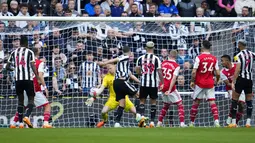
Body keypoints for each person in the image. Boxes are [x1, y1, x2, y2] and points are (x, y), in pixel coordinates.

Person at [97, 46, 143, 127]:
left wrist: (140, 82)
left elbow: (131, 75)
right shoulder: (124, 57)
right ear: (129, 52)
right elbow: (114, 60)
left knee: (122, 104)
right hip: (122, 81)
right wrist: (104, 63)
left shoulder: (122, 66)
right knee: (139, 95)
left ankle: (117, 123)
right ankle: (139, 115)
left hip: (116, 84)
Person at [10, 47, 52, 128]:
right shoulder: (40, 63)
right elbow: (40, 76)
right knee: (47, 105)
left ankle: (13, 124)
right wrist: (45, 87)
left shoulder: (23, 63)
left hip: (22, 86)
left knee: (24, 105)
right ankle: (46, 123)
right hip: (34, 88)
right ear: (38, 53)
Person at [6, 36, 41, 128]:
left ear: (20, 43)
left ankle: (20, 123)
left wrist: (14, 69)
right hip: (28, 79)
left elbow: (7, 67)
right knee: (31, 99)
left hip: (18, 80)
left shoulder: (13, 52)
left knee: (20, 101)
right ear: (26, 43)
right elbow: (33, 65)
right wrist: (37, 77)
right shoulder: (30, 52)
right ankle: (26, 116)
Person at [189, 40, 220, 127]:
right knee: (212, 102)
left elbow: (194, 72)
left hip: (200, 83)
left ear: (202, 47)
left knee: (196, 102)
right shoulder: (214, 58)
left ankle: (191, 122)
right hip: (210, 83)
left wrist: (192, 81)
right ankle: (216, 121)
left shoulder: (199, 57)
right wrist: (217, 80)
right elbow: (218, 73)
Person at [135, 41, 164, 127]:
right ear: (153, 48)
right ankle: (152, 121)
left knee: (142, 101)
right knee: (153, 102)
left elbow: (137, 70)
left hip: (143, 83)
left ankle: (142, 118)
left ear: (145, 48)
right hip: (153, 84)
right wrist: (162, 83)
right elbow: (159, 72)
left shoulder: (140, 58)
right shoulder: (156, 59)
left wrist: (141, 74)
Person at [228, 40, 255, 128]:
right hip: (249, 79)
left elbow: (238, 69)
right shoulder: (252, 54)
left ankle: (234, 122)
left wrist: (233, 81)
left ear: (239, 45)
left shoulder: (238, 56)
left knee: (235, 99)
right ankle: (248, 122)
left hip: (241, 79)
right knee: (249, 100)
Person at [157, 50, 186, 127]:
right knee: (180, 104)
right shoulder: (177, 66)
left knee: (166, 105)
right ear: (176, 57)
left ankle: (159, 123)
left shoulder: (162, 63)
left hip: (162, 86)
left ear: (169, 55)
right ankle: (182, 123)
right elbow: (173, 78)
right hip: (170, 87)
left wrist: (159, 86)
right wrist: (169, 90)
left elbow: (158, 75)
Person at [220, 54, 245, 125]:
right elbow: (228, 83)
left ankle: (234, 122)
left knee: (241, 105)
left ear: (227, 61)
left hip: (241, 87)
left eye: (222, 61)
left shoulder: (237, 66)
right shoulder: (222, 72)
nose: (221, 62)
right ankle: (229, 121)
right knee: (236, 102)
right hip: (231, 89)